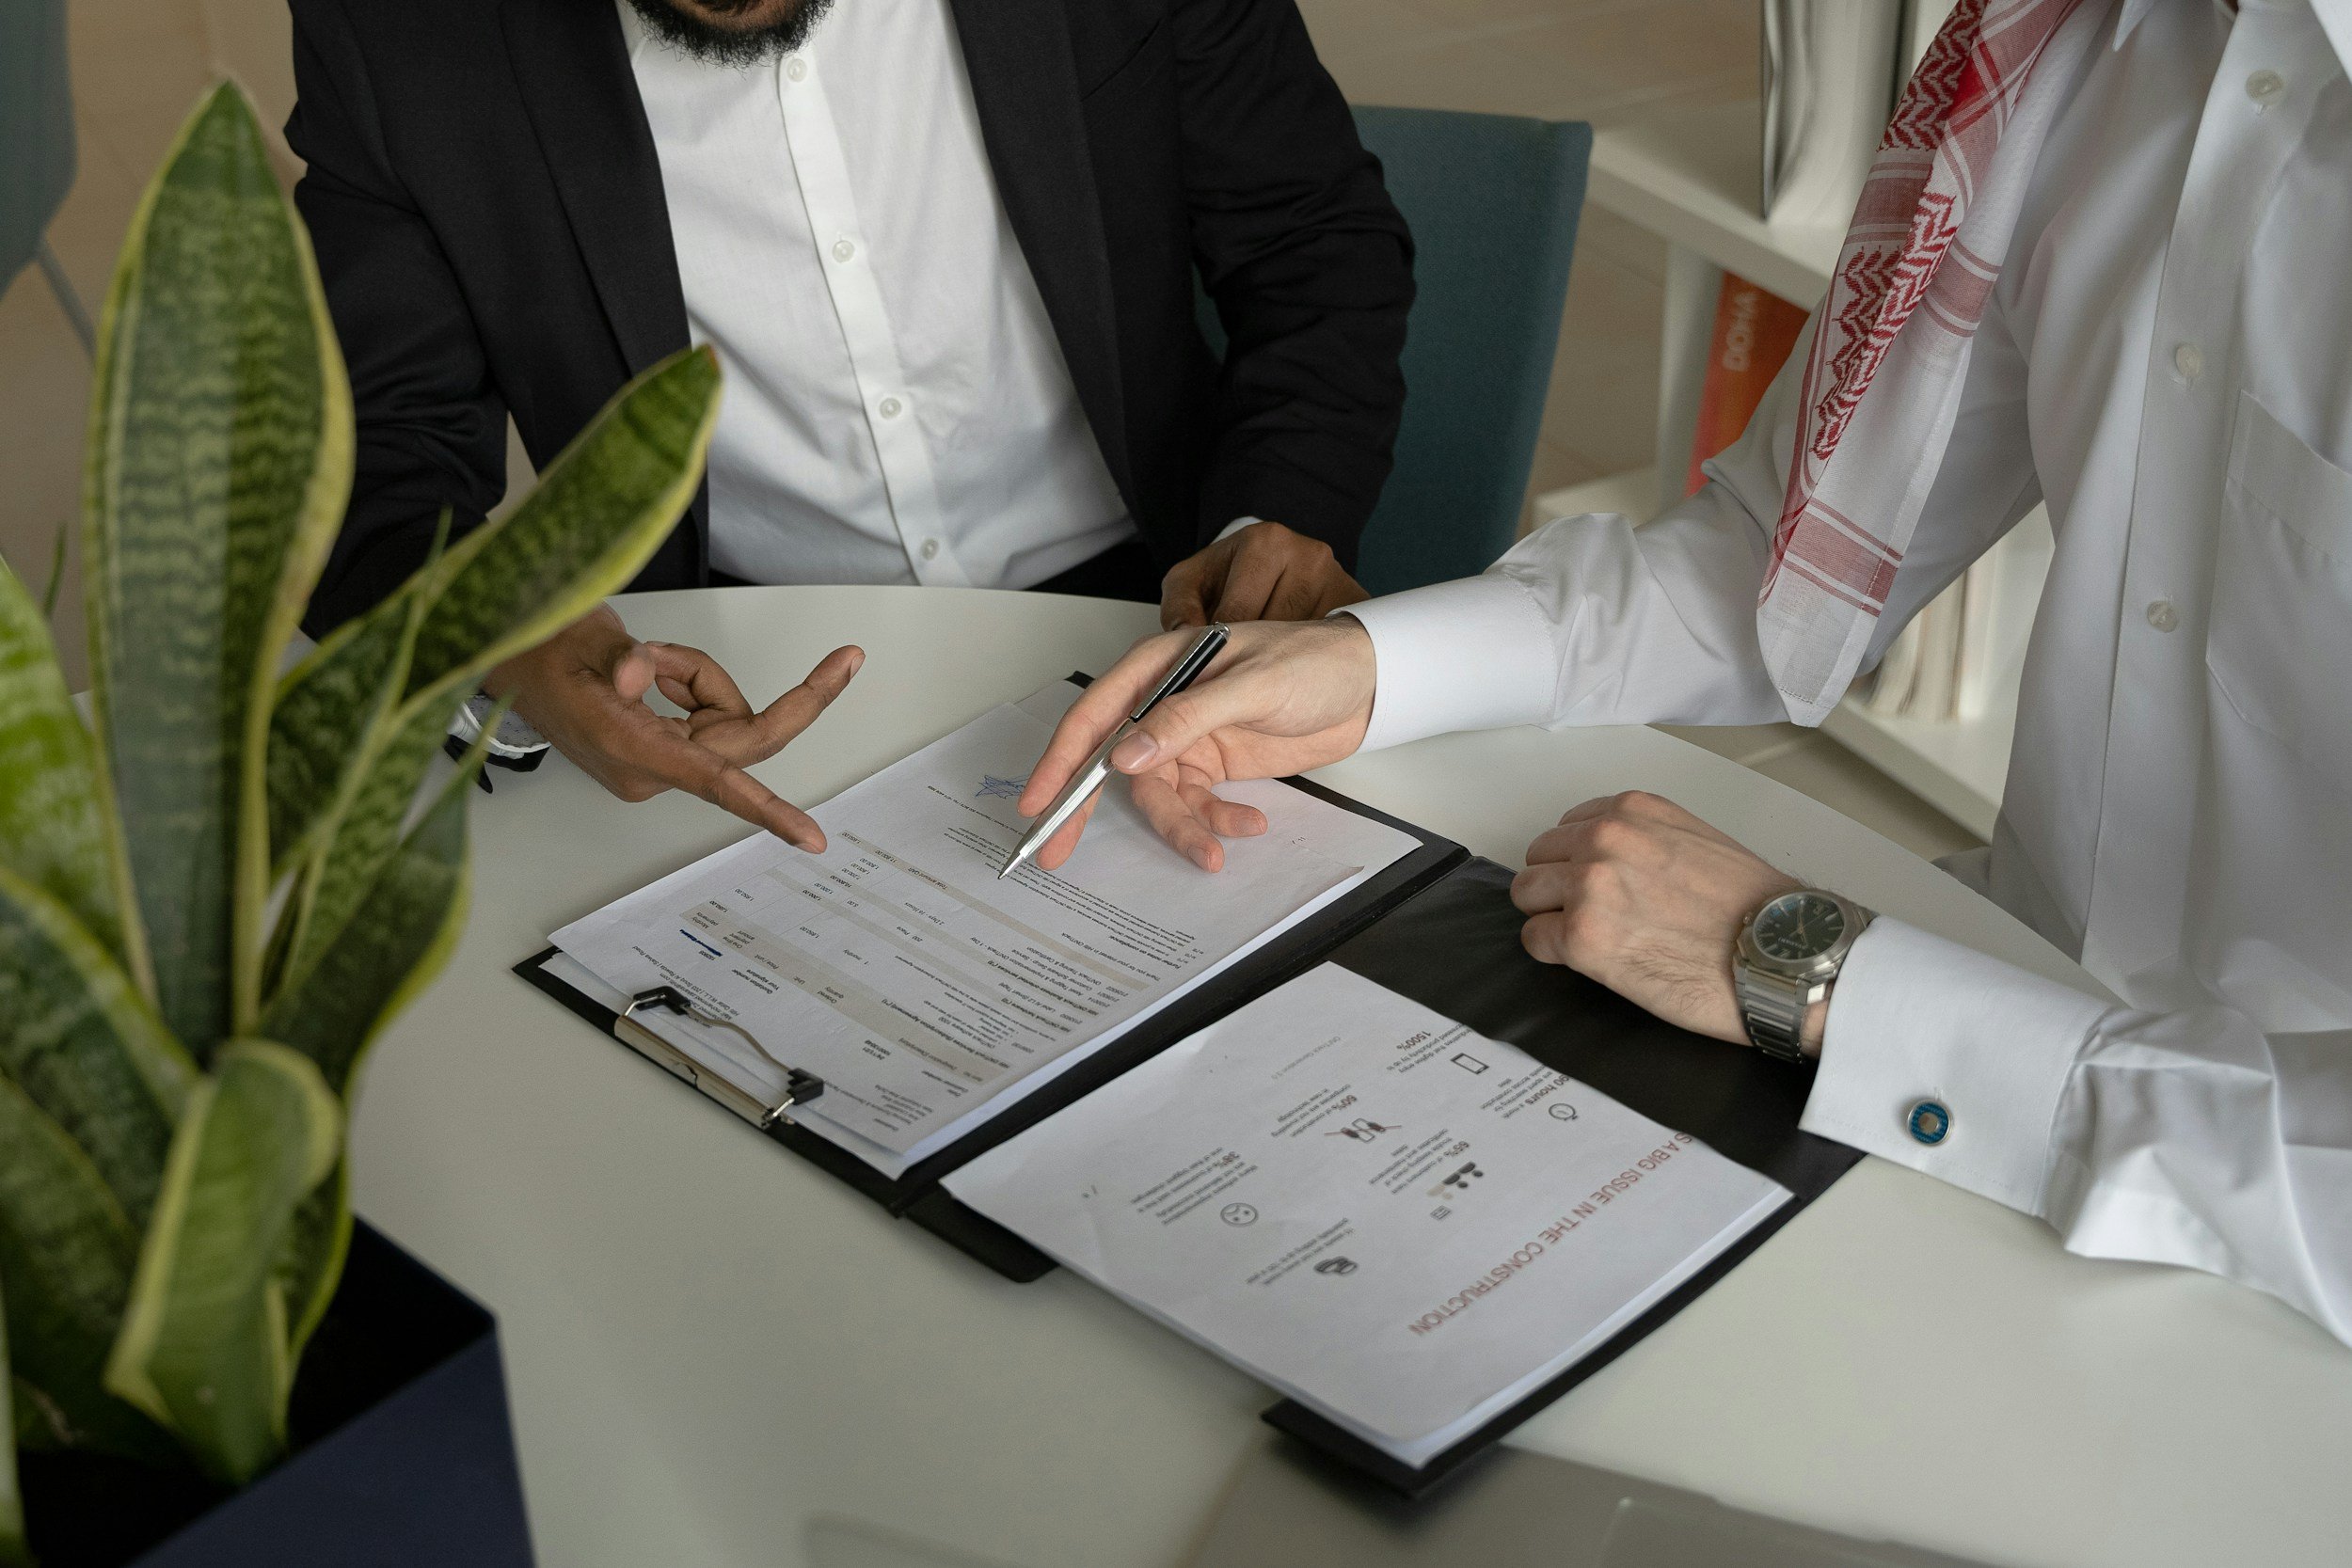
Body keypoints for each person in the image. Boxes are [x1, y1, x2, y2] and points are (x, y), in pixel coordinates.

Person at [1022, 0, 2352, 1344]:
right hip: (1980, 1047)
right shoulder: (2091, 43)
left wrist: (1821, 973)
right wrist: (1366, 666)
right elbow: (1775, 563)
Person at [284, 0, 1411, 847]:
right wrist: (508, 629)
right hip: (740, 664)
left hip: (1151, 612)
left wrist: (1280, 511)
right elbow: (375, 454)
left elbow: (1312, 243)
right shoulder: (398, 32)